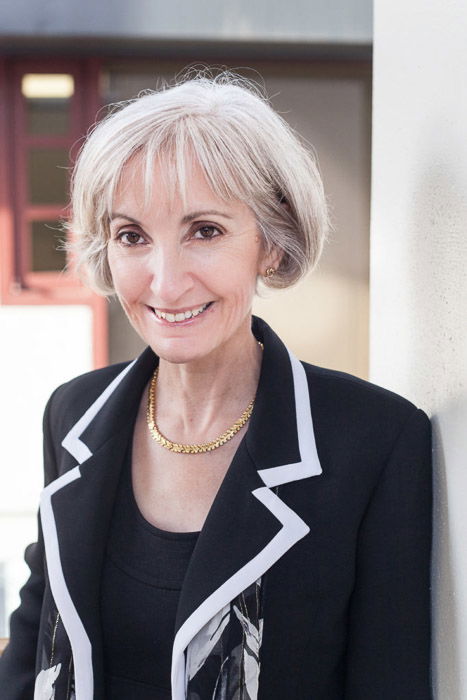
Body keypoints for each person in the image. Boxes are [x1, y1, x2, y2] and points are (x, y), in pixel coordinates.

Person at [0, 71, 432, 700]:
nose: (166, 282)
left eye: (205, 231)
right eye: (132, 236)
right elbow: (35, 638)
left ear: (271, 244)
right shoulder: (74, 413)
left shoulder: (376, 440)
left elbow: (390, 680)